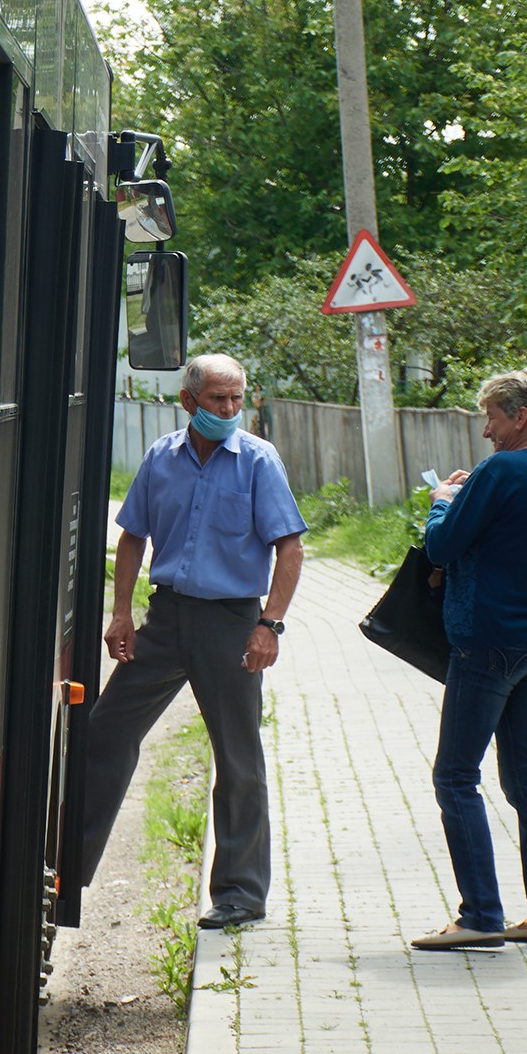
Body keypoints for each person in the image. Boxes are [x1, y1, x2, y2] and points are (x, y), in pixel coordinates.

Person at [76, 353, 306, 928]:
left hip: (232, 624)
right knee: (106, 731)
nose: (229, 410)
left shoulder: (257, 461)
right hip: (168, 618)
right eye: (217, 401)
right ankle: (67, 864)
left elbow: (290, 547)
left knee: (238, 757)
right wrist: (121, 613)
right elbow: (132, 537)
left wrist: (268, 624)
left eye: (236, 400)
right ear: (189, 402)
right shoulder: (162, 457)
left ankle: (239, 894)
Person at [409, 365, 527, 951]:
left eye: (491, 416)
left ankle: (481, 913)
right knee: (526, 779)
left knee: (455, 775)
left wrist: (441, 501)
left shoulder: (503, 468)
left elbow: (442, 543)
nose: (486, 431)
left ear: (521, 416)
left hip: (486, 642)